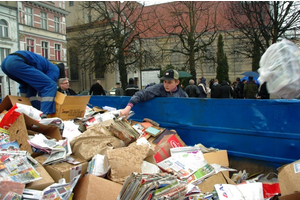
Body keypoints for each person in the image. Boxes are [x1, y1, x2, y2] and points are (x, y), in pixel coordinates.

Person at [1, 51, 65, 114]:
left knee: (27, 85)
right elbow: (47, 88)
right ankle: (45, 114)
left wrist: (35, 108)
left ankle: (25, 111)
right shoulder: (55, 69)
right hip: (17, 62)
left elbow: (33, 89)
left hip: (5, 64)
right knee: (50, 85)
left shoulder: (46, 66)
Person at [120, 69, 188, 117]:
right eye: (165, 81)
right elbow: (141, 94)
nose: (166, 85)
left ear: (177, 82)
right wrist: (127, 108)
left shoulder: (183, 95)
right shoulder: (158, 88)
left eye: (170, 82)